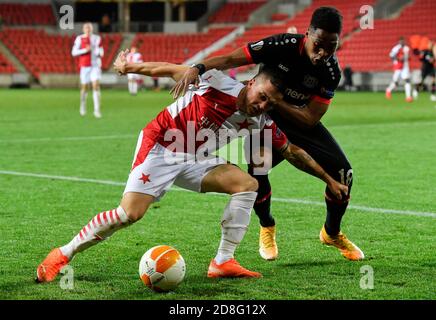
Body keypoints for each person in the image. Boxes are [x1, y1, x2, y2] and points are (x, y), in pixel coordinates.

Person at [36, 52, 349, 283]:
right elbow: (170, 69)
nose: (263, 105)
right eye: (262, 96)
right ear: (252, 83)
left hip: (195, 157)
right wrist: (128, 67)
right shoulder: (215, 83)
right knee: (129, 214)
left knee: (248, 185)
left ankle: (223, 262)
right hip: (160, 147)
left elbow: (292, 151)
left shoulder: (259, 120)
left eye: (271, 104)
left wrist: (328, 180)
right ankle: (63, 253)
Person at [171, 6, 364, 262]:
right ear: (307, 34)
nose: (323, 52)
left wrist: (276, 99)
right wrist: (199, 66)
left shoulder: (330, 71)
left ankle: (331, 232)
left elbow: (309, 118)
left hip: (299, 122)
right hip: (263, 117)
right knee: (257, 173)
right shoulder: (281, 45)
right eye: (319, 44)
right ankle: (267, 225)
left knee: (344, 174)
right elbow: (230, 60)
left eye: (331, 46)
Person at [71, 22, 104, 118]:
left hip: (95, 66)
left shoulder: (97, 38)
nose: (88, 29)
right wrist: (85, 50)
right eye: (86, 28)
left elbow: (101, 50)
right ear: (83, 29)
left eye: (89, 28)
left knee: (96, 86)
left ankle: (97, 110)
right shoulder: (79, 38)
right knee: (84, 88)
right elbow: (73, 52)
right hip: (84, 66)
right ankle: (82, 106)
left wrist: (99, 53)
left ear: (92, 29)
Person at [385, 37, 413, 102]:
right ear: (399, 42)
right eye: (401, 41)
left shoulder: (407, 48)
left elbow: (408, 57)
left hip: (405, 67)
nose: (402, 42)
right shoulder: (396, 48)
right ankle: (388, 90)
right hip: (398, 67)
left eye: (403, 41)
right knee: (396, 82)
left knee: (407, 80)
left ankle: (408, 97)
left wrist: (407, 57)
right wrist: (398, 59)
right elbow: (391, 56)